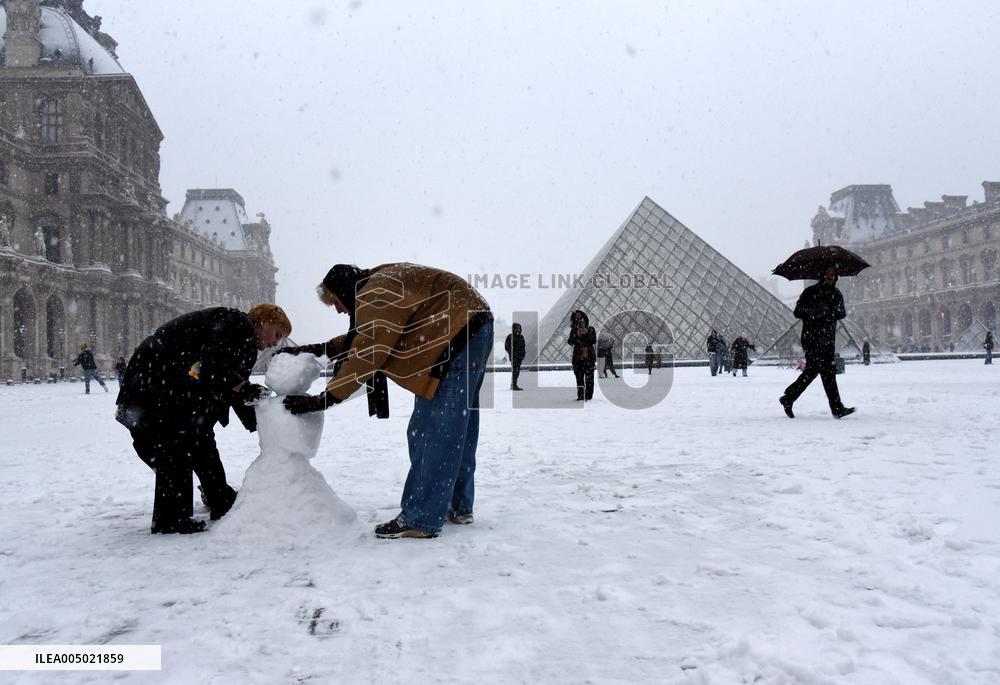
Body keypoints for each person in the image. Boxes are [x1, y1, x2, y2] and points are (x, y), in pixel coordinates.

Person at [281, 264, 492, 540]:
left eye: (335, 302)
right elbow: (367, 335)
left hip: (452, 336)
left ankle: (421, 517)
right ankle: (458, 505)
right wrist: (321, 349)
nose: (338, 310)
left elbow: (368, 350)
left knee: (430, 430)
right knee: (456, 428)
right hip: (471, 328)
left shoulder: (374, 292)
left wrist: (324, 399)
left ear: (344, 291)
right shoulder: (380, 285)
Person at [115, 304, 291, 534]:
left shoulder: (242, 341)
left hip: (165, 390)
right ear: (264, 320)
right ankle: (171, 519)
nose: (275, 343)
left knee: (199, 437)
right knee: (174, 447)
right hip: (154, 388)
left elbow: (232, 389)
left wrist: (264, 421)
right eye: (277, 334)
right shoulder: (237, 324)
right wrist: (245, 388)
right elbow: (212, 364)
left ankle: (220, 500)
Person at [779, 266, 855, 419]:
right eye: (827, 274)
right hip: (812, 338)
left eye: (833, 274)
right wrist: (815, 313)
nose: (830, 277)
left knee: (817, 372)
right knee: (825, 373)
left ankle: (789, 398)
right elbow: (797, 311)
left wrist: (829, 312)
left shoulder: (836, 294)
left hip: (827, 339)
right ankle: (836, 407)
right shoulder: (810, 292)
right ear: (822, 275)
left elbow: (842, 313)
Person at [568, 311, 597, 399]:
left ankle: (588, 396)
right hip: (578, 357)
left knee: (589, 378)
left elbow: (593, 341)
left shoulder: (591, 329)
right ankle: (581, 395)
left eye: (580, 318)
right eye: (576, 318)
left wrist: (587, 333)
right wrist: (577, 335)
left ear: (584, 318)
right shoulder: (573, 330)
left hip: (588, 357)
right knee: (579, 378)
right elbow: (570, 342)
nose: (579, 320)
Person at [505, 323, 526, 390]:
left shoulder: (521, 337)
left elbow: (523, 346)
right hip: (514, 357)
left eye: (519, 328)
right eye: (517, 328)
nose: (518, 329)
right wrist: (512, 353)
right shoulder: (510, 337)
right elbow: (507, 347)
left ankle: (514, 384)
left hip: (519, 357)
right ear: (513, 328)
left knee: (517, 371)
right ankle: (514, 385)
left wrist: (523, 354)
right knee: (515, 371)